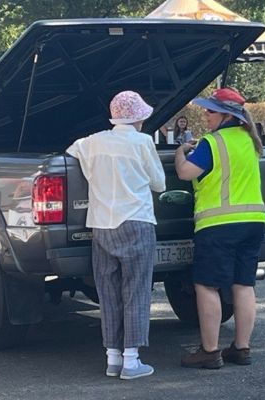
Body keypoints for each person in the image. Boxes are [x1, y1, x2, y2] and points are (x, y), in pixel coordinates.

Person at [66, 91, 166, 380]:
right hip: (136, 220)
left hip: (101, 224)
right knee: (135, 289)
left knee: (108, 290)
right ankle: (132, 360)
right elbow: (158, 183)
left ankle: (112, 357)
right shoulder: (143, 142)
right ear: (139, 118)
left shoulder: (93, 141)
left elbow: (72, 150)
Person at [175, 87, 265, 369]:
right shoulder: (251, 141)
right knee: (243, 284)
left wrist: (181, 151)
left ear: (226, 115)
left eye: (210, 110)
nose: (206, 114)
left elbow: (185, 173)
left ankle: (210, 351)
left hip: (218, 224)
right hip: (253, 222)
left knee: (206, 285)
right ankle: (241, 348)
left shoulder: (211, 143)